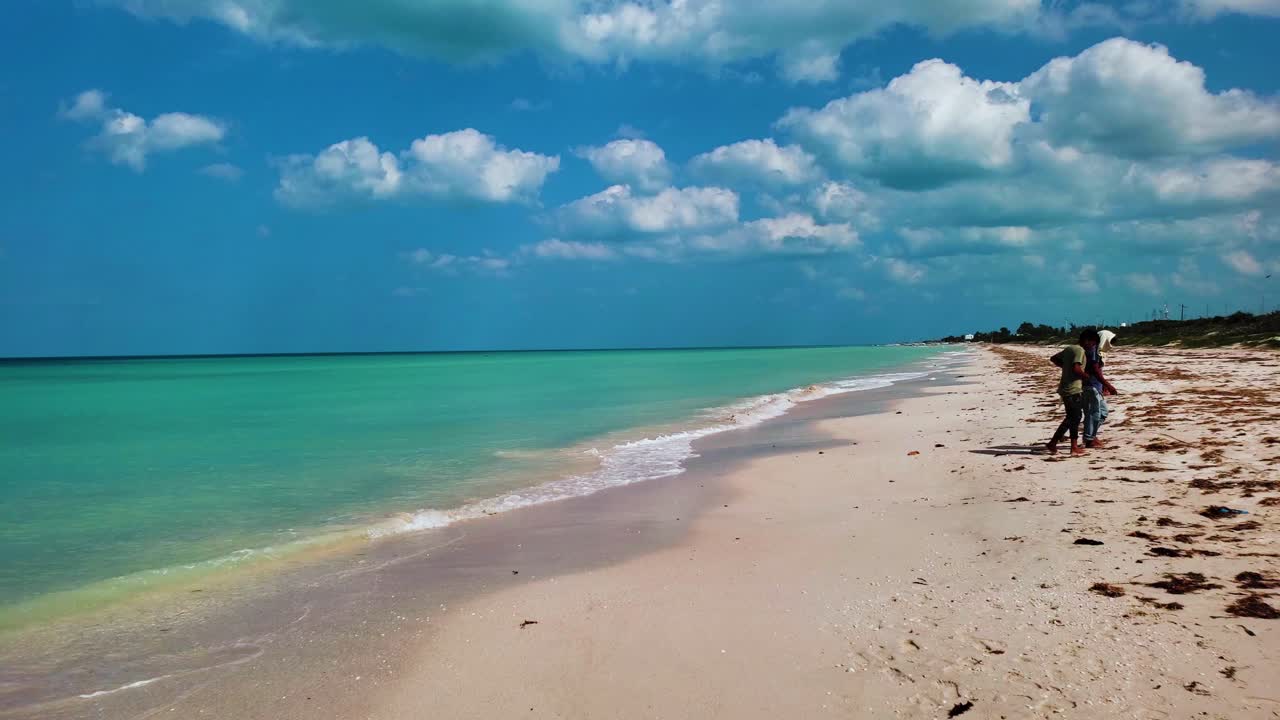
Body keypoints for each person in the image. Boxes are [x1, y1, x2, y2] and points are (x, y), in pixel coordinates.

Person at [1046, 329, 1100, 456]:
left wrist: (1066, 368)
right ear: (1086, 341)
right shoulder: (1080, 350)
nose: (1092, 347)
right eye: (1092, 343)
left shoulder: (1070, 348)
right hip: (1072, 389)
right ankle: (1072, 447)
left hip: (1065, 388)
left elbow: (1054, 358)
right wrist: (1086, 376)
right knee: (1074, 418)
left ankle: (1054, 443)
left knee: (1072, 417)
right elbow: (1076, 368)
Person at [1083, 330, 1119, 448]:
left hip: (1096, 386)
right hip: (1090, 386)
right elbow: (1095, 370)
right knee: (1093, 413)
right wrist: (1108, 385)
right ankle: (1089, 439)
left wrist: (1103, 385)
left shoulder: (1099, 352)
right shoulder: (1093, 351)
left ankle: (1090, 435)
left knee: (1102, 413)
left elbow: (1098, 371)